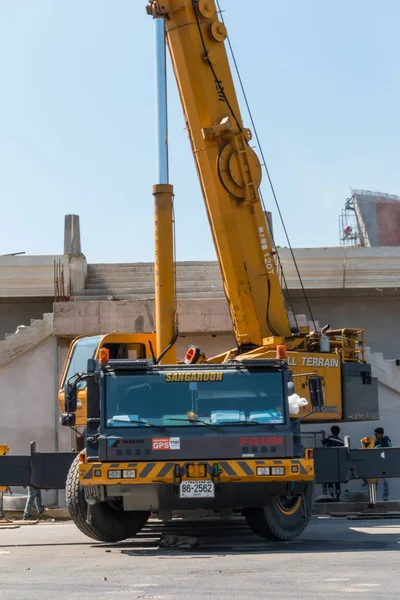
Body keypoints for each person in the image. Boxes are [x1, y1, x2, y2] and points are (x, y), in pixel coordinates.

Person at [321, 425, 344, 501]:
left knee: (330, 480)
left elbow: (323, 442)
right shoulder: (342, 442)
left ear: (331, 431)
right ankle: (338, 496)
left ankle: (331, 495)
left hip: (329, 463)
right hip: (338, 464)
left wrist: (323, 434)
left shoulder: (330, 438)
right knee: (337, 481)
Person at [374, 427, 391, 501]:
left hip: (385, 463)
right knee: (374, 480)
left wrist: (377, 446)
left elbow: (387, 448)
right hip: (378, 463)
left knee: (385, 480)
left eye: (376, 434)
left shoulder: (386, 440)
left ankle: (385, 497)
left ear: (381, 434)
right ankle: (373, 496)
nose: (375, 436)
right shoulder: (377, 441)